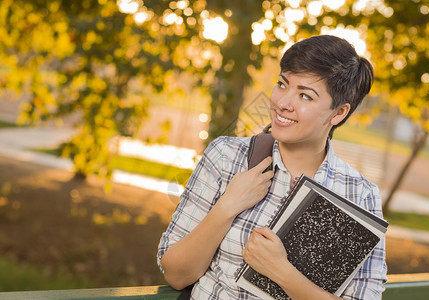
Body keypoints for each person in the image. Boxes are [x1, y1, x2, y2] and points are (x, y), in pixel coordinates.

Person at [157, 35, 387, 300]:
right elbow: (176, 274)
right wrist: (227, 206)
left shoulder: (359, 195)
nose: (282, 102)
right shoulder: (227, 155)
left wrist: (281, 271)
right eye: (282, 84)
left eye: (305, 95)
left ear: (338, 113)